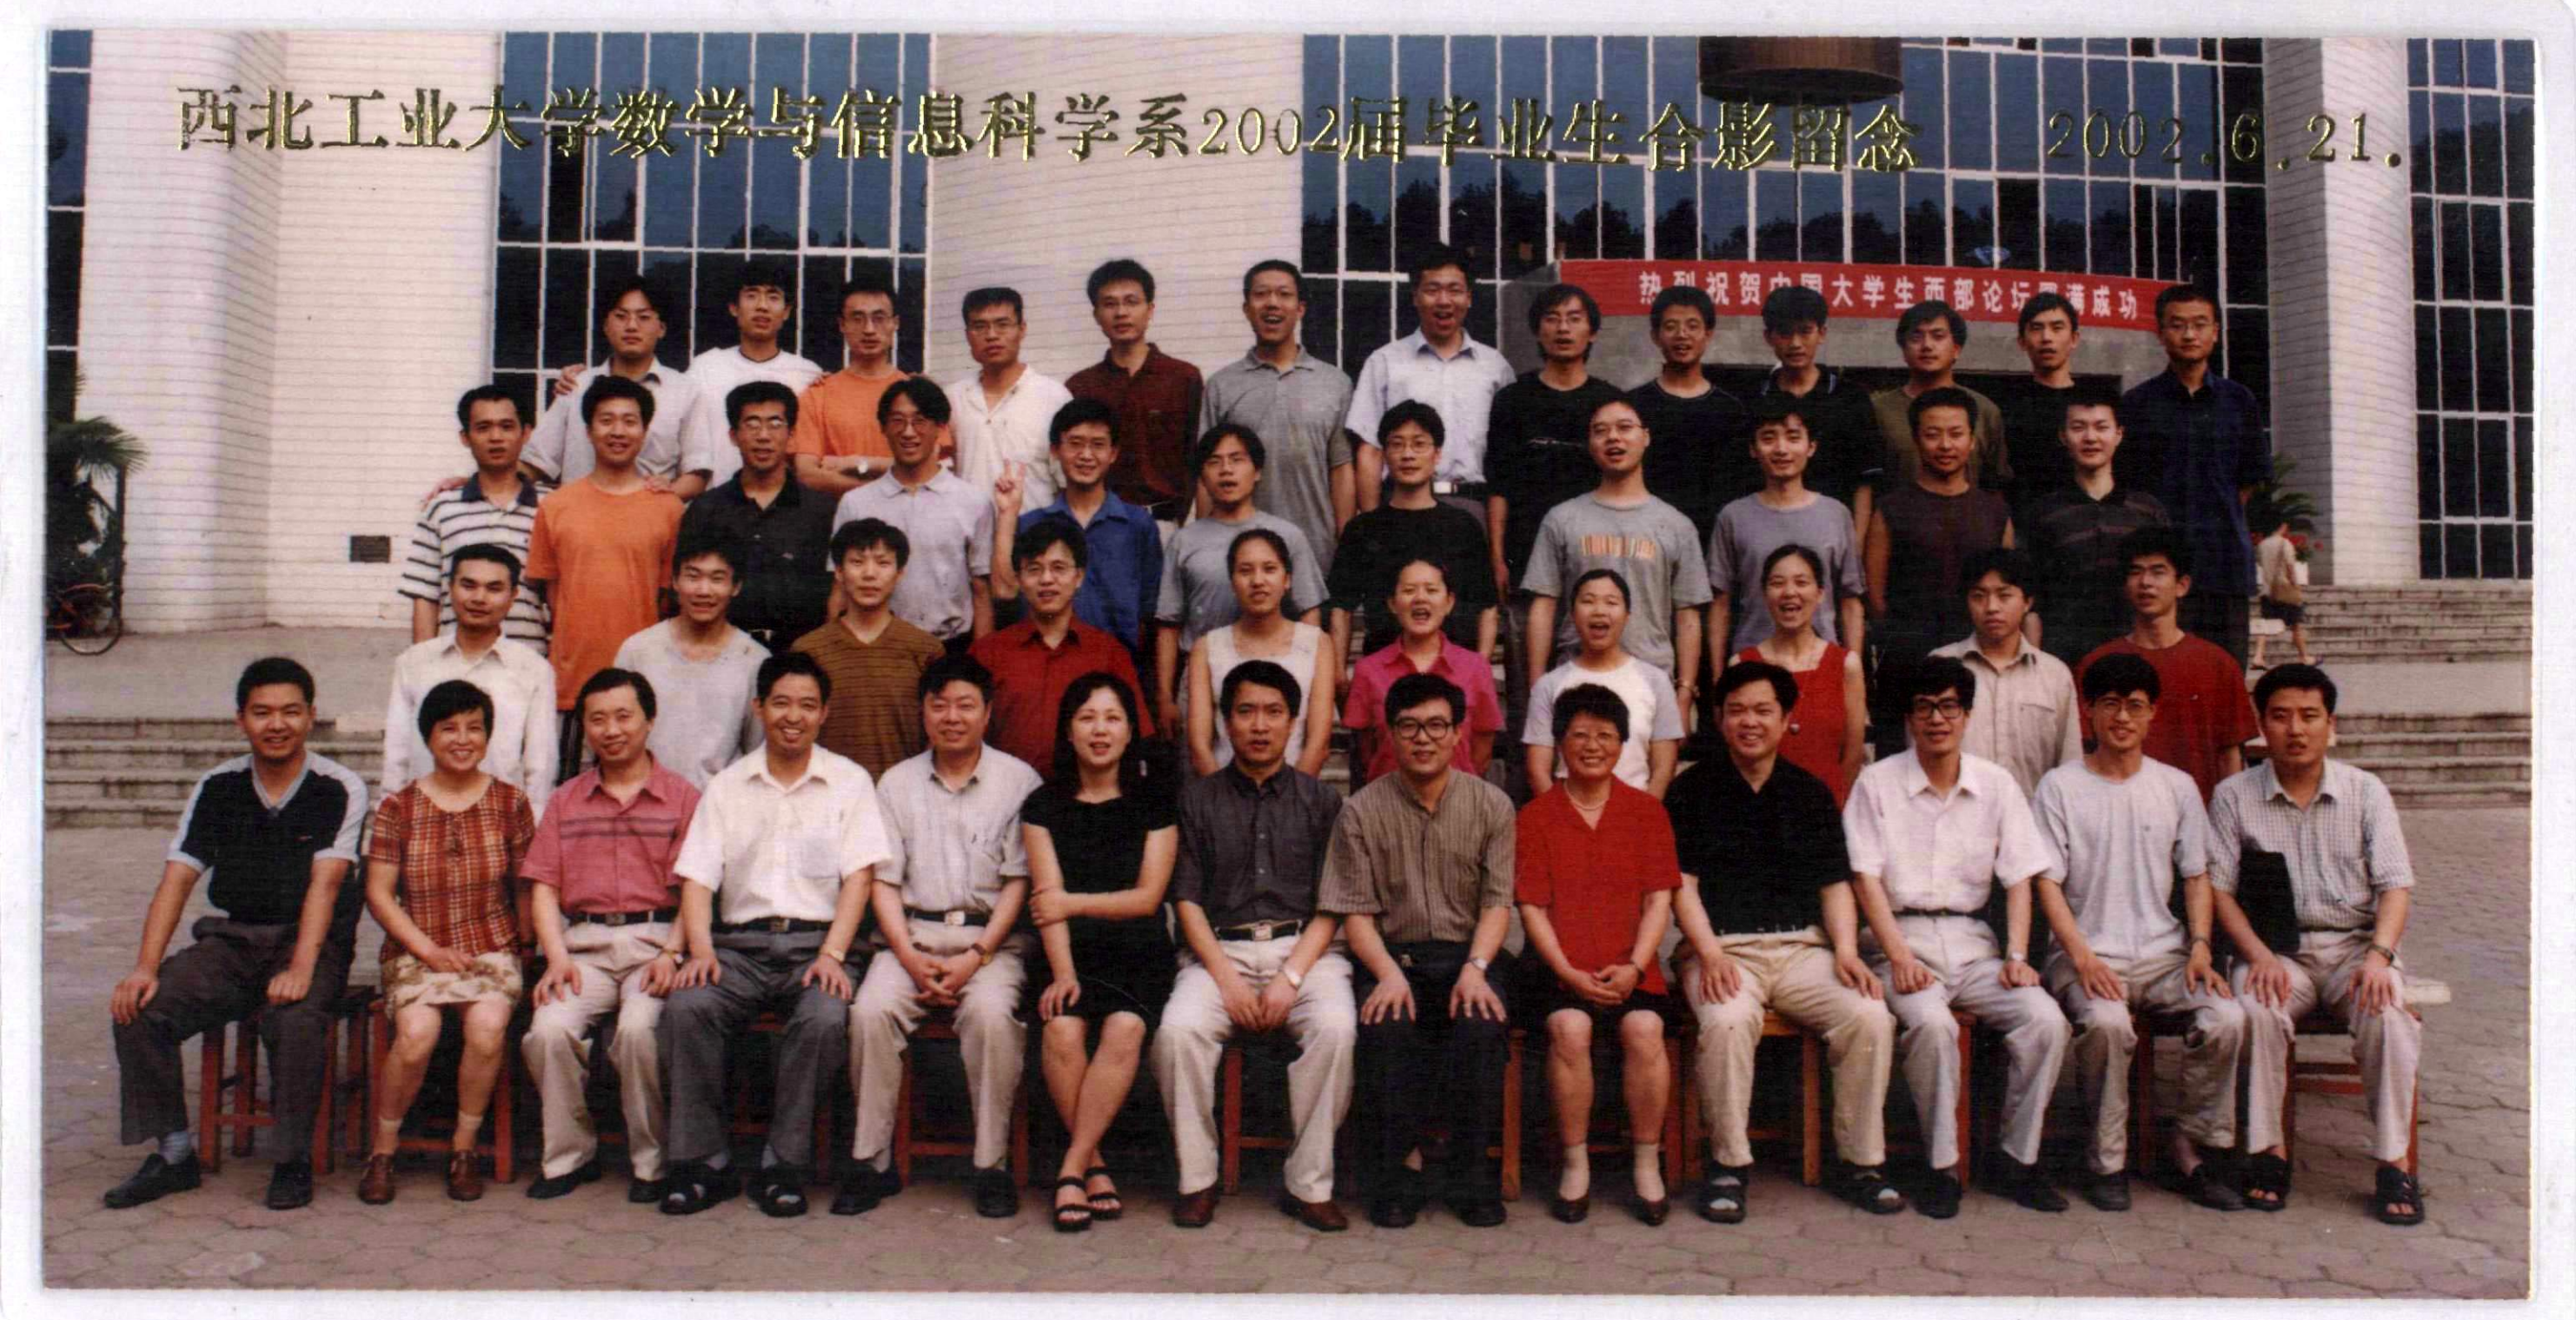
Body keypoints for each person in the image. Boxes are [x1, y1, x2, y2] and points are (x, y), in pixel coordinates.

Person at [105, 658, 369, 1213]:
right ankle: (175, 1154)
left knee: (295, 1019)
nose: (277, 725)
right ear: (240, 720)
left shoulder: (338, 786)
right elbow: (177, 880)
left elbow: (325, 886)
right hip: (232, 940)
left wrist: (301, 967)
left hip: (308, 941)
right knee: (140, 1009)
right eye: (262, 713)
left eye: (290, 712)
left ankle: (292, 1161)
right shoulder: (218, 786)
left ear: (311, 717)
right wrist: (144, 968)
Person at [1666, 661, 1903, 1221]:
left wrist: (1846, 950)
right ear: (1719, 719)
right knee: (1726, 1020)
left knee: (1869, 1015)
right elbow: (1681, 887)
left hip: (1802, 949)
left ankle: (1861, 1163)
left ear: (1786, 719)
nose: (1750, 722)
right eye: (1737, 711)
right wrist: (1709, 953)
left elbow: (1834, 885)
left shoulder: (1809, 792)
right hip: (1723, 950)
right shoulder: (1691, 790)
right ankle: (1728, 1166)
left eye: (1762, 710)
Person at [657, 652, 889, 1218]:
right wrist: (701, 950)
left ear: (824, 712)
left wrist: (834, 953)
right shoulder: (728, 785)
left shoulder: (849, 782)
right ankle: (703, 1164)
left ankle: (783, 1166)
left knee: (825, 1016)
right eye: (781, 702)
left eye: (807, 705)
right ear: (759, 707)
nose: (794, 716)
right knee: (688, 1006)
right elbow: (697, 877)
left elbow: (859, 878)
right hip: (738, 949)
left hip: (817, 947)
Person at [1844, 657, 2070, 1217]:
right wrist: (1898, 957)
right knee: (1931, 1023)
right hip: (1900, 939)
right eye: (1924, 707)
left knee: (2045, 1020)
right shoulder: (1877, 783)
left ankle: (2018, 1159)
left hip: (1974, 945)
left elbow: (2020, 877)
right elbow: (1864, 879)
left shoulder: (1996, 784)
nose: (1937, 719)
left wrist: (2017, 955)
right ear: (1908, 718)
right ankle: (1942, 1166)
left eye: (1949, 706)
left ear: (1967, 715)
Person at [2031, 653, 2249, 1213]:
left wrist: (2199, 946)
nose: (2122, 717)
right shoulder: (2059, 786)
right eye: (2110, 704)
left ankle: (2192, 1149)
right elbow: (2047, 882)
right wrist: (2082, 958)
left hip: (2163, 954)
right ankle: (2106, 1161)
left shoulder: (2176, 787)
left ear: (2153, 713)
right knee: (2107, 1024)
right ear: (2089, 712)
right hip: (2084, 954)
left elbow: (2196, 874)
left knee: (2226, 1017)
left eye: (2134, 706)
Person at [2210, 665, 2425, 1225]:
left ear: (2331, 724)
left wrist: (2380, 957)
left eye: (2310, 716)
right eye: (2280, 717)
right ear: (2262, 726)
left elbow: (2396, 885)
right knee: (2256, 1007)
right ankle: (2268, 1152)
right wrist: (2258, 955)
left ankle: (2394, 1162)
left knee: (2389, 1015)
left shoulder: (2365, 792)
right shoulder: (2234, 796)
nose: (2296, 730)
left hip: (2356, 948)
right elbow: (2219, 890)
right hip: (2277, 952)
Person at [1154, 660, 1356, 1232]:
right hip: (1219, 953)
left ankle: (1309, 1183)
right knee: (1178, 1032)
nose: (1259, 725)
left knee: (1336, 1028)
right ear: (1226, 721)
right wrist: (1227, 978)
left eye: (1273, 712)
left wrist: (1291, 978)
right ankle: (1198, 1178)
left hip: (1306, 952)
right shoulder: (1197, 800)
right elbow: (1186, 900)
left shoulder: (1321, 802)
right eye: (1246, 711)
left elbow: (1333, 903)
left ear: (1293, 722)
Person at [845, 655, 1044, 1219]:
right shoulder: (896, 782)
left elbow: (1018, 882)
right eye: (939, 705)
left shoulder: (1019, 782)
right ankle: (871, 1161)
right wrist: (908, 956)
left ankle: (991, 1165)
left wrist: (977, 955)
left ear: (987, 713)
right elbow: (884, 882)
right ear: (923, 712)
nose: (952, 717)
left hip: (991, 943)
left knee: (991, 1017)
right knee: (870, 1012)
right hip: (910, 937)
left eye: (965, 705)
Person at [1322, 672, 1519, 1230]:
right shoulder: (1360, 811)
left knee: (1481, 1024)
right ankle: (1399, 1173)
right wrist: (1386, 973)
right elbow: (1355, 911)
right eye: (1409, 726)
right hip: (1394, 958)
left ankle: (1468, 1173)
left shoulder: (1492, 806)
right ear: (1390, 733)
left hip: (1468, 956)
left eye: (1436, 725)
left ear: (1458, 733)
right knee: (1385, 1026)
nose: (1423, 738)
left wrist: (1477, 968)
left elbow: (1497, 902)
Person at [518, 667, 701, 1204]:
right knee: (549, 1031)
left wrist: (673, 952)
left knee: (640, 1031)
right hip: (584, 949)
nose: (611, 730)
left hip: (655, 945)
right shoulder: (566, 800)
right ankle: (569, 1157)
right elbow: (544, 887)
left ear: (649, 720)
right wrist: (555, 958)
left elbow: (696, 887)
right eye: (598, 719)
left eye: (624, 716)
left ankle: (651, 1163)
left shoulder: (682, 797)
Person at [355, 679, 538, 1205]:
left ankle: (464, 1149)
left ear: (488, 735)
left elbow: (525, 886)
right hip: (418, 949)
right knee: (418, 1034)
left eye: (474, 728)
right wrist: (429, 951)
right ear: (428, 737)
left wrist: (529, 950)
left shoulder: (510, 803)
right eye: (449, 728)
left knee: (486, 1028)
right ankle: (383, 1151)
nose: (462, 739)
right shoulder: (399, 807)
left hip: (490, 947)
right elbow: (379, 894)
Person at [1513, 684, 1681, 1225]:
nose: (1592, 746)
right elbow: (1532, 907)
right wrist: (1565, 970)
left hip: (1631, 969)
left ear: (1623, 743)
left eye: (1605, 735)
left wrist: (1635, 965)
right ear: (1560, 742)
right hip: (1558, 970)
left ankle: (1646, 1163)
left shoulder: (1646, 812)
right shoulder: (1537, 816)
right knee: (1570, 1028)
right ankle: (1575, 1163)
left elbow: (1659, 900)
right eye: (1579, 734)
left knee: (1645, 1030)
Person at [1020, 675, 1179, 1231]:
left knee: (1124, 1027)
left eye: (1113, 718)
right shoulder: (1042, 805)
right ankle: (1095, 1166)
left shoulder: (1155, 802)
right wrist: (1063, 973)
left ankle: (1071, 1167)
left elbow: (1147, 898)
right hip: (1068, 952)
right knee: (1062, 1028)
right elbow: (1047, 905)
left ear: (1131, 730)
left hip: (1138, 952)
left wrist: (1073, 901)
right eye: (1087, 718)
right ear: (1068, 730)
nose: (1100, 730)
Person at [523, 374, 686, 777]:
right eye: (606, 420)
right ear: (588, 430)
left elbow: (668, 601)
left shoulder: (668, 509)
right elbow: (552, 592)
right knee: (573, 797)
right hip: (574, 686)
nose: (618, 431)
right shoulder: (556, 506)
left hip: (645, 686)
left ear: (645, 431)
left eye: (630, 421)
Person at [1485, 282, 1629, 709]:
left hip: (1593, 561)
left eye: (1574, 319)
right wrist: (1498, 557)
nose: (1563, 329)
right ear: (1537, 330)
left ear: (1592, 331)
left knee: (1592, 681)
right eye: (1552, 319)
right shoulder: (1513, 400)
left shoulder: (1609, 402)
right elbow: (1499, 485)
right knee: (1527, 682)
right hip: (1525, 559)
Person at [2118, 284, 2270, 667]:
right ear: (2160, 333)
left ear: (2215, 332)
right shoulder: (2137, 404)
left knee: (2224, 674)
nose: (2189, 334)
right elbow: (2128, 486)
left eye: (2200, 324)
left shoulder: (2240, 401)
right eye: (2177, 325)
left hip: (2223, 565)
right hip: (2160, 572)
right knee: (2159, 676)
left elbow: (2248, 482)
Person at [1524, 396, 1713, 700]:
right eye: (1601, 430)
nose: (1613, 437)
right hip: (1576, 681)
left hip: (1651, 684)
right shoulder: (1561, 519)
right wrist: (1538, 688)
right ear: (1590, 443)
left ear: (1646, 437)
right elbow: (1543, 606)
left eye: (1625, 427)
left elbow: (1687, 615)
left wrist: (1685, 692)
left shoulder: (1677, 525)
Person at [1152, 424, 1326, 736]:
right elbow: (1169, 623)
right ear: (1202, 476)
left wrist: (1309, 679)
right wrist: (1165, 696)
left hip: (1274, 678)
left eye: (1237, 460)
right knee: (1201, 759)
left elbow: (1309, 611)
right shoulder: (1184, 541)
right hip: (1203, 676)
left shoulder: (1287, 535)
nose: (1226, 470)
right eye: (1214, 462)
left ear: (1257, 471)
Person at [1865, 386, 2015, 746]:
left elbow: (2009, 588)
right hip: (1907, 663)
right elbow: (1876, 596)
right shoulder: (1891, 509)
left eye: (1956, 434)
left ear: (1973, 441)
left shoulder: (1994, 511)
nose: (1945, 445)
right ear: (1916, 440)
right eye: (1933, 434)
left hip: (1978, 659)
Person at [2077, 527, 2258, 803]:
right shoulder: (2096, 664)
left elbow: (2230, 757)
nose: (2145, 582)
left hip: (2199, 817)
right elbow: (2086, 751)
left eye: (2158, 572)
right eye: (2136, 572)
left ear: (2182, 585)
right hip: (2118, 814)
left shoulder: (2218, 665)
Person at [1202, 260, 1357, 575]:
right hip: (1241, 561)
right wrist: (1206, 549)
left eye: (1284, 294)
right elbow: (1206, 475)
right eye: (1261, 294)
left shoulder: (1335, 383)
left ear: (1300, 309)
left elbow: (1341, 469)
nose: (1272, 303)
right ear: (1246, 308)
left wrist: (1346, 546)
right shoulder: (1221, 386)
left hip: (1317, 554)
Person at [1345, 242, 1517, 519]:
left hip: (1472, 508)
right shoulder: (1385, 362)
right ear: (1415, 297)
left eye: (1454, 290)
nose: (1444, 301)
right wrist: (1373, 525)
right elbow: (1370, 451)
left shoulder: (1495, 368)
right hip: (1401, 506)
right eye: (1432, 290)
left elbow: (1507, 457)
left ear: (1469, 297)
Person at [969, 515, 1153, 772]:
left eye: (1058, 568)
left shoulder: (1109, 653)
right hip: (1006, 790)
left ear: (1079, 576)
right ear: (1019, 579)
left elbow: (1135, 736)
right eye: (1034, 569)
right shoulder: (988, 653)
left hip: (1085, 792)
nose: (1047, 579)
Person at [382, 543, 557, 812]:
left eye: (494, 589)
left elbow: (540, 766)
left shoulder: (533, 669)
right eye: (468, 585)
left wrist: (532, 825)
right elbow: (397, 756)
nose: (479, 598)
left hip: (500, 821)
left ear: (513, 596)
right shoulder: (414, 663)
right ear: (450, 588)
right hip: (423, 819)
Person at [989, 398, 1164, 665]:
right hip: (1046, 666)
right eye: (1075, 443)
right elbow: (1004, 593)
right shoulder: (1032, 525)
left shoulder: (1138, 524)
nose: (1086, 455)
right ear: (1055, 450)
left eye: (1098, 445)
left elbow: (1148, 612)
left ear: (1113, 453)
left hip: (1116, 668)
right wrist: (1007, 514)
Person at [827, 377, 995, 649]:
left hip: (949, 648)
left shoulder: (973, 501)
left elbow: (981, 591)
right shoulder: (856, 503)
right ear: (883, 427)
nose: (908, 432)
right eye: (897, 421)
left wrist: (980, 663)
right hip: (875, 648)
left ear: (940, 428)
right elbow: (840, 590)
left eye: (920, 421)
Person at [1326, 401, 1498, 663]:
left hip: (1453, 669)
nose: (1408, 454)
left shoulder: (1463, 526)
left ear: (1437, 454)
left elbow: (1487, 606)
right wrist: (1339, 670)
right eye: (1397, 444)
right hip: (1384, 670)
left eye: (1419, 444)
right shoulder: (1363, 529)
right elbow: (1341, 608)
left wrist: (1480, 670)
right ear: (1385, 454)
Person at [678, 381, 839, 650]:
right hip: (722, 655)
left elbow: (836, 594)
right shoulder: (706, 510)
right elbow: (685, 591)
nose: (763, 436)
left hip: (800, 657)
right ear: (733, 436)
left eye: (775, 424)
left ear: (792, 435)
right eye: (752, 424)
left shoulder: (822, 511)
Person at [2018, 386, 2169, 670]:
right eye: (2079, 427)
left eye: (2101, 427)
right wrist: (2036, 669)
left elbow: (2167, 594)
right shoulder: (2044, 514)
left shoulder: (2148, 511)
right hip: (2064, 661)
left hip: (2138, 659)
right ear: (2063, 436)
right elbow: (2031, 601)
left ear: (2119, 434)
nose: (2090, 438)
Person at [1706, 395, 1867, 656]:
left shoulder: (1836, 514)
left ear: (1811, 446)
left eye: (1793, 437)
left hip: (1821, 661)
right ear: (1753, 449)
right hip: (1753, 662)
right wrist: (1718, 675)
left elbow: (1850, 601)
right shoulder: (1733, 516)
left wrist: (1853, 668)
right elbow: (1720, 603)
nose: (1781, 449)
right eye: (1769, 438)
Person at [523, 277, 707, 497]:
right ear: (606, 326)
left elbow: (697, 472)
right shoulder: (576, 386)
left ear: (661, 328)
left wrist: (665, 498)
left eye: (644, 317)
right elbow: (535, 462)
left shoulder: (684, 391)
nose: (631, 326)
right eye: (621, 316)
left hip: (650, 513)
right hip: (581, 513)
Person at [402, 385, 551, 653]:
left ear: (526, 433)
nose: (496, 437)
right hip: (456, 665)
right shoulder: (442, 508)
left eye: (507, 427)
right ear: (465, 437)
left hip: (529, 662)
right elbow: (425, 595)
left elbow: (563, 596)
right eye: (483, 428)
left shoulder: (552, 507)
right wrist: (423, 665)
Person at [792, 519, 944, 779]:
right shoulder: (808, 651)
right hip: (828, 792)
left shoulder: (926, 649)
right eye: (857, 562)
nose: (869, 574)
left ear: (900, 573)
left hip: (904, 792)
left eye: (883, 563)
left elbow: (938, 734)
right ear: (839, 572)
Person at [611, 535, 768, 786]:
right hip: (644, 800)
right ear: (675, 581)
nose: (703, 590)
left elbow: (757, 750)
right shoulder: (638, 651)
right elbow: (614, 735)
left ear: (736, 586)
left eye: (717, 579)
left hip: (720, 802)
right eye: (693, 577)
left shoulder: (754, 660)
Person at [1926, 548, 2083, 796]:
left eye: (2004, 595)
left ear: (2027, 602)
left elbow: (2070, 767)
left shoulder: (2055, 675)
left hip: (2034, 818)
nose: (1991, 607)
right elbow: (1920, 757)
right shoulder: (1940, 665)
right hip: (1956, 815)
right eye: (1979, 596)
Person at [1343, 558, 1504, 786]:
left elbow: (1482, 748)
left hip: (1457, 798)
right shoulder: (1368, 670)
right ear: (1393, 604)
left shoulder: (1475, 667)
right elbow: (1366, 749)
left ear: (1449, 602)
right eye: (1409, 590)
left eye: (1431, 590)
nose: (1420, 598)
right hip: (1389, 797)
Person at [1186, 529, 1335, 777]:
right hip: (1223, 792)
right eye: (1245, 571)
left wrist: (1292, 796)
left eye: (1269, 569)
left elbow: (1318, 745)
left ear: (1287, 579)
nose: (1257, 581)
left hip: (1296, 791)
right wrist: (1220, 797)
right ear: (1232, 582)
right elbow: (1199, 747)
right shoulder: (1206, 648)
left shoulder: (1317, 643)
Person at [1066, 258, 1204, 525]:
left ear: (1150, 309)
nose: (1121, 313)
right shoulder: (1081, 386)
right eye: (1110, 304)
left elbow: (1199, 460)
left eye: (1132, 302)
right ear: (1096, 315)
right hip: (1099, 525)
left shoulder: (1183, 378)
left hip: (1165, 524)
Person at [1524, 569, 1684, 797]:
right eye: (1588, 601)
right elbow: (1537, 771)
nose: (1599, 611)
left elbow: (1663, 769)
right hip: (1568, 811)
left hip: (1637, 809)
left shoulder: (1656, 681)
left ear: (1627, 615)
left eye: (1611, 602)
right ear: (1572, 614)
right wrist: (1562, 817)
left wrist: (1644, 814)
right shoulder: (1549, 685)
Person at [1732, 545, 1868, 806]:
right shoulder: (1742, 664)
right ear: (1764, 594)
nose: (1789, 592)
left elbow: (1852, 755)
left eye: (1801, 582)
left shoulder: (1845, 665)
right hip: (1760, 811)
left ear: (1820, 593)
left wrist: (1833, 810)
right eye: (1777, 583)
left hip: (1826, 811)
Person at [674, 262, 827, 491]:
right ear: (734, 307)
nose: (762, 306)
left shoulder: (808, 374)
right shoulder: (705, 368)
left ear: (786, 311)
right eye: (752, 295)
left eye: (773, 297)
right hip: (714, 503)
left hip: (783, 505)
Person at [1629, 283, 1750, 547]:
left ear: (1708, 334)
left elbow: (1738, 488)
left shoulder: (1731, 410)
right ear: (1655, 336)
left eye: (1692, 326)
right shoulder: (1633, 406)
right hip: (1646, 539)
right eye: (1671, 326)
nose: (1682, 335)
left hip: (1713, 542)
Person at [1754, 284, 1876, 532]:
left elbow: (1864, 482)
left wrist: (1855, 543)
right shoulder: (1754, 398)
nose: (1795, 343)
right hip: (1767, 531)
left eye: (1805, 331)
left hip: (1832, 533)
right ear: (1768, 337)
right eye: (1785, 333)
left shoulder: (1851, 398)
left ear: (1821, 333)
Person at [789, 271, 913, 500]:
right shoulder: (818, 394)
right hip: (838, 519)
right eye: (857, 318)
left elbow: (933, 467)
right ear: (842, 324)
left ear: (895, 323)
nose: (869, 329)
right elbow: (807, 474)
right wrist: (882, 489)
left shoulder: (917, 393)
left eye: (879, 318)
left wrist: (855, 463)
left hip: (908, 518)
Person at [948, 286, 1074, 507]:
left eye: (1002, 324)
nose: (992, 335)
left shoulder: (1053, 397)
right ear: (968, 335)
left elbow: (1069, 483)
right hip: (968, 528)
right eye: (980, 326)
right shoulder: (953, 399)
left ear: (1022, 329)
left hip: (1035, 528)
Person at [1868, 300, 2010, 494]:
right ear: (1904, 351)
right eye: (1916, 337)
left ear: (1956, 349)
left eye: (1938, 336)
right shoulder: (1878, 411)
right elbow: (1867, 486)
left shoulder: (1985, 410)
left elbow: (1997, 485)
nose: (1927, 345)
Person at [1995, 291, 2084, 514]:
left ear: (2074, 339)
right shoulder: (2006, 407)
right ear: (2022, 341)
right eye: (2036, 328)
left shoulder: (2092, 404)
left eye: (2057, 328)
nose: (2046, 338)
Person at [2251, 507, 2313, 668]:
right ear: (2283, 526)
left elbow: (2261, 564)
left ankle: (2258, 657)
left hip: (2268, 591)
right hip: (2285, 590)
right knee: (2296, 625)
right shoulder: (2285, 544)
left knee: (2265, 625)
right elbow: (2290, 568)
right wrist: (2296, 586)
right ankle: (2304, 657)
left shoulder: (2262, 545)